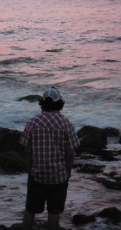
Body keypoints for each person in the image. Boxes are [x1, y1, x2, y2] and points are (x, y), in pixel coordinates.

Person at [19, 87, 80, 230]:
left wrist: (30, 168)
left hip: (37, 174)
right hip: (59, 176)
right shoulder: (66, 123)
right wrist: (68, 172)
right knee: (54, 213)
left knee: (30, 210)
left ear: (42, 103)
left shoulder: (33, 122)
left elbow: (26, 150)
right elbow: (71, 153)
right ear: (60, 103)